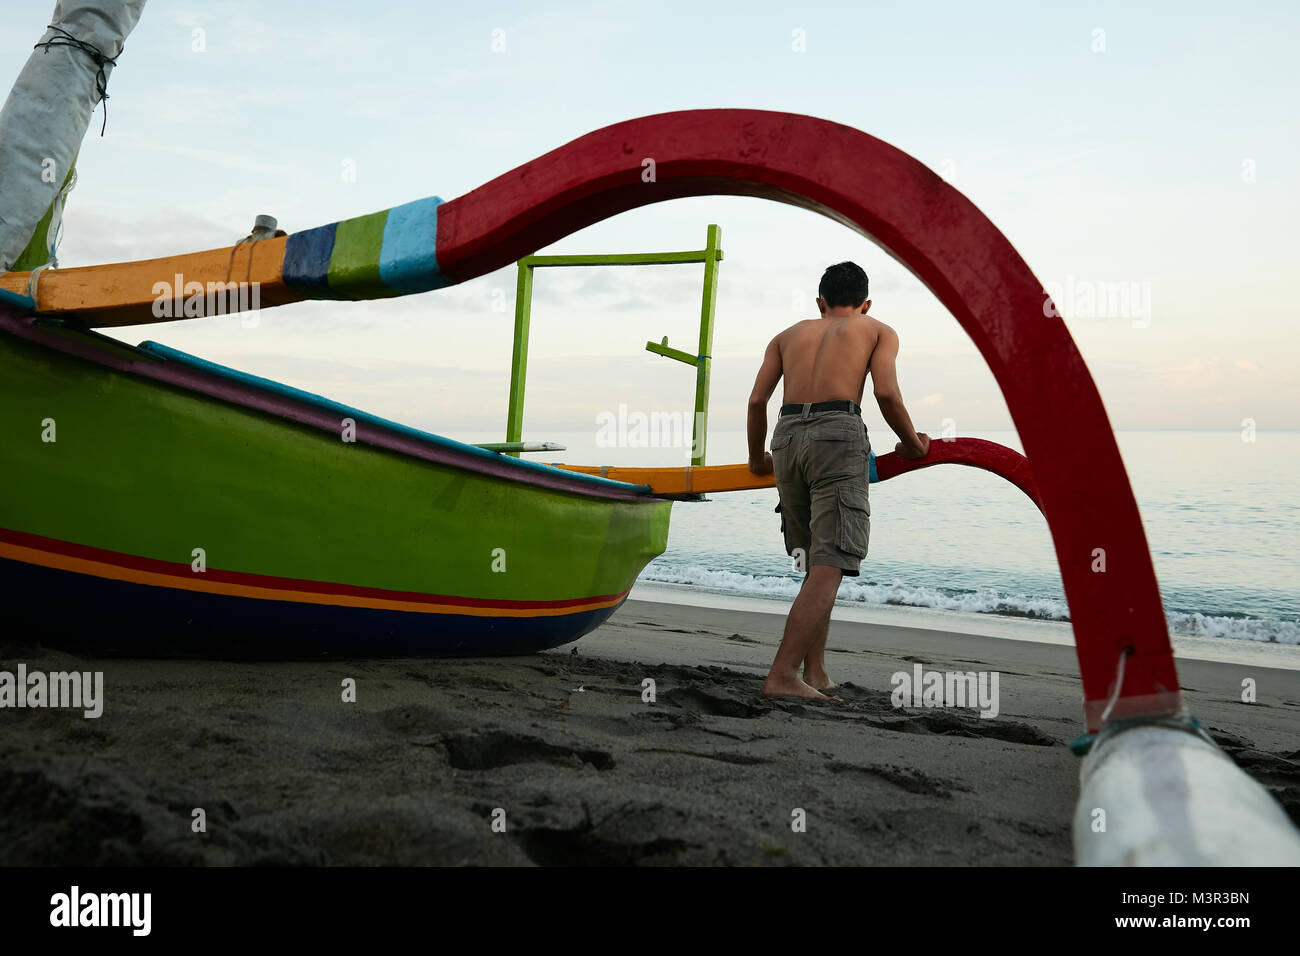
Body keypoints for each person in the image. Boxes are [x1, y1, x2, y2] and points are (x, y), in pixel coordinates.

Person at [746, 261, 930, 699]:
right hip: (837, 431)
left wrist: (757, 459)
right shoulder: (877, 329)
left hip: (786, 437)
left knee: (813, 561)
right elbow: (885, 393)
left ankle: (817, 671)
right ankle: (783, 675)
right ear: (865, 304)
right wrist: (913, 444)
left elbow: (757, 400)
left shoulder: (787, 335)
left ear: (819, 302)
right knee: (831, 563)